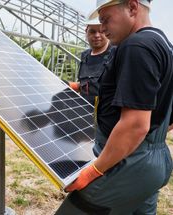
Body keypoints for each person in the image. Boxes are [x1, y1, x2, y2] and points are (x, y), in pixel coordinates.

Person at [56, 0, 173, 214]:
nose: (102, 28)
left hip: (125, 164)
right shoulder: (164, 44)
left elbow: (135, 125)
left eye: (106, 19)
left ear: (132, 7)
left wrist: (94, 170)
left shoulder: (136, 46)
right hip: (154, 161)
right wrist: (150, 144)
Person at [69, 16, 114, 106]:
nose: (97, 35)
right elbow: (86, 84)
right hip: (84, 111)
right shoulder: (85, 55)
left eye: (101, 31)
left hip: (106, 114)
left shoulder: (115, 53)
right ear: (86, 32)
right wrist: (65, 85)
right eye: (92, 31)